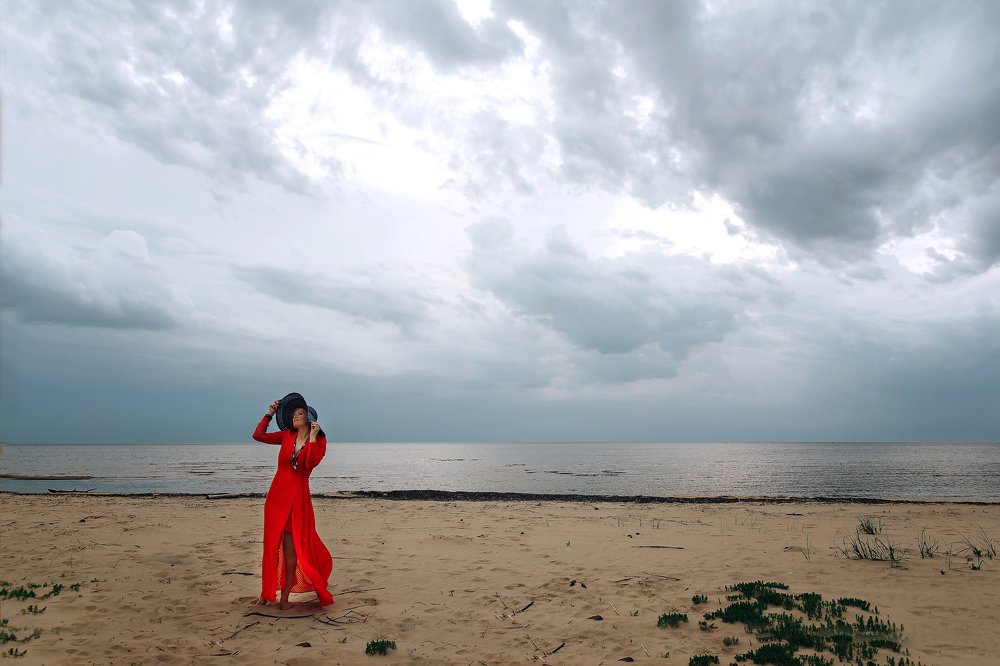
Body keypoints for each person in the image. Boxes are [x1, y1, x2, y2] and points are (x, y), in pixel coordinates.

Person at [251, 395, 334, 609]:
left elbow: (308, 464)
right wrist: (269, 414)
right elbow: (258, 435)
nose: (294, 416)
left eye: (300, 413)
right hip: (276, 497)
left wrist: (313, 438)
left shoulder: (320, 441)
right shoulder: (286, 435)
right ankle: (266, 593)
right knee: (269, 547)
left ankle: (285, 597)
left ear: (310, 419)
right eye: (294, 413)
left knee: (292, 552)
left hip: (297, 500)